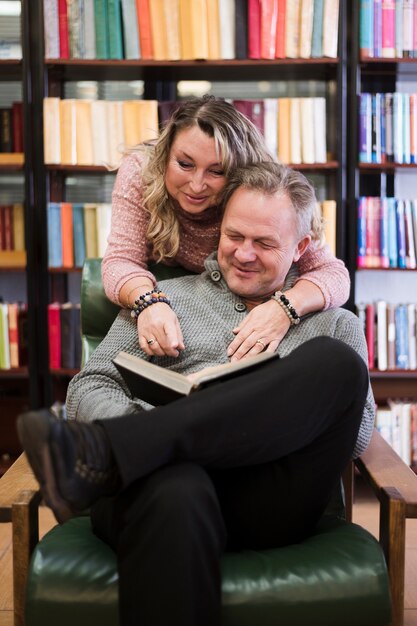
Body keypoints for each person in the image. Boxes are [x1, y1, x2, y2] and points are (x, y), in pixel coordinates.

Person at [18, 162, 374, 626]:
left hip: (270, 498)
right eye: (234, 236)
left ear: (301, 248)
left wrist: (262, 413)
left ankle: (108, 452)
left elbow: (360, 433)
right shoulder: (162, 300)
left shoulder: (333, 321)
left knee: (336, 362)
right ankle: (138, 447)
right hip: (160, 485)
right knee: (176, 486)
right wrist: (151, 418)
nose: (244, 254)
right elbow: (88, 386)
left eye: (265, 243)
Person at [102, 95, 350, 361]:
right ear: (165, 155)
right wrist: (148, 301)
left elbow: (333, 273)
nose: (196, 185)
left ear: (238, 172)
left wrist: (284, 308)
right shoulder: (142, 171)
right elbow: (120, 260)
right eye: (184, 164)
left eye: (216, 171)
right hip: (181, 301)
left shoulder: (259, 191)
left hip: (249, 305)